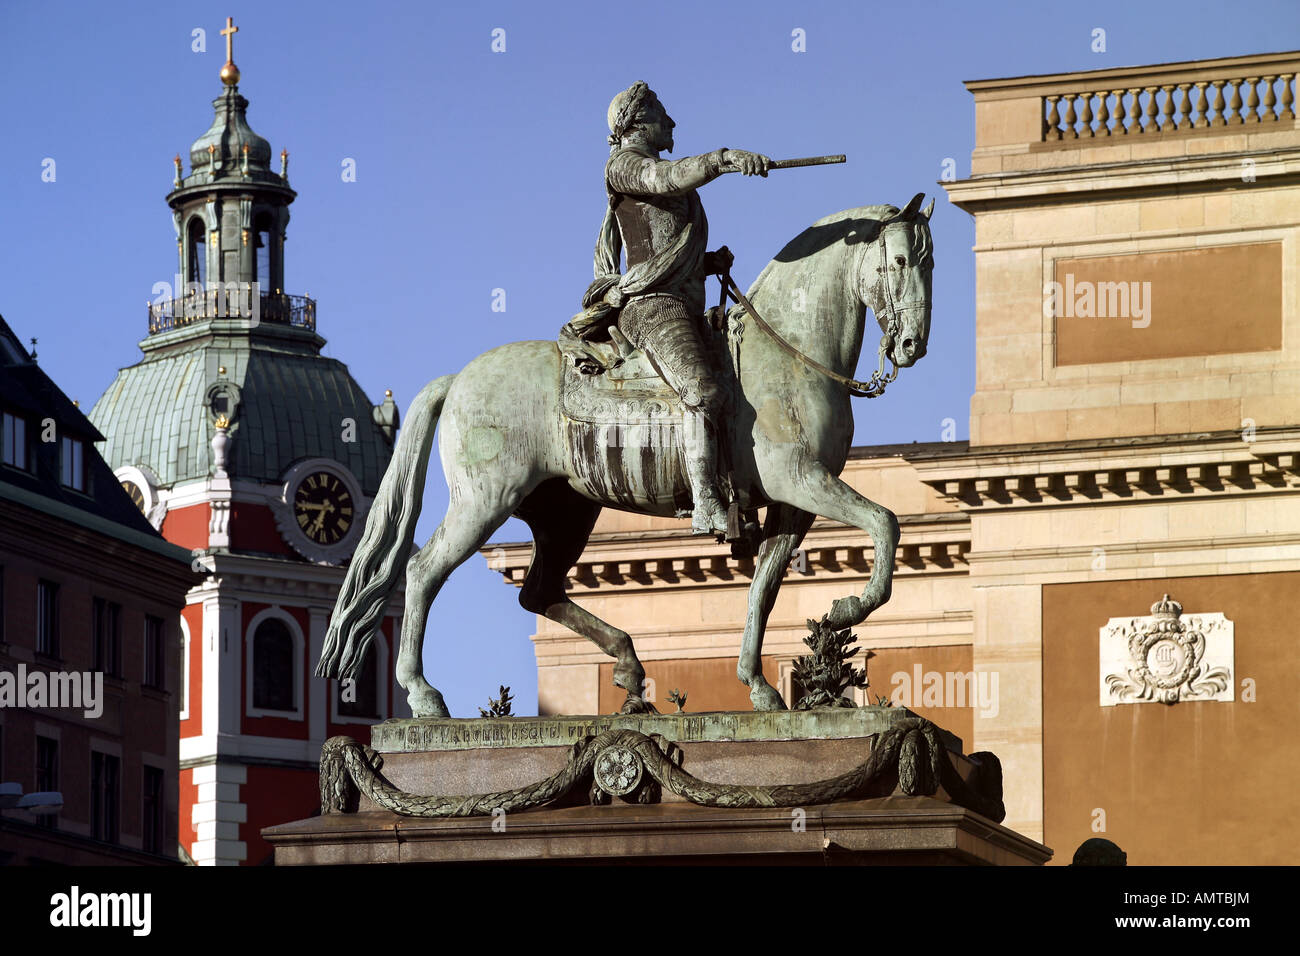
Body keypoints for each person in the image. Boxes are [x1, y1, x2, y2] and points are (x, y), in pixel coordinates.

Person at [573, 81, 770, 537]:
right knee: (701, 390)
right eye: (664, 114)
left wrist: (704, 263)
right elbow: (667, 179)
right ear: (638, 121)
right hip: (653, 308)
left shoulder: (656, 171)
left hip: (682, 302)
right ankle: (705, 502)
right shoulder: (624, 166)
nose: (673, 123)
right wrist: (725, 158)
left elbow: (663, 248)